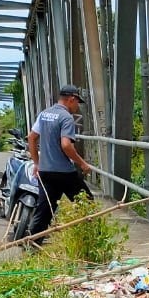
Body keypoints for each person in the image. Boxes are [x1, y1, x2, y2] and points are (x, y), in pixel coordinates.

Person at [27, 84, 93, 239]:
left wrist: (37, 163)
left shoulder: (44, 114)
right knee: (87, 202)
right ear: (71, 99)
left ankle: (33, 245)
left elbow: (31, 137)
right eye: (77, 102)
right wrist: (82, 163)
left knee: (44, 211)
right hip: (64, 172)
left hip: (45, 172)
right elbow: (66, 145)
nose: (77, 106)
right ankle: (90, 238)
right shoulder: (66, 117)